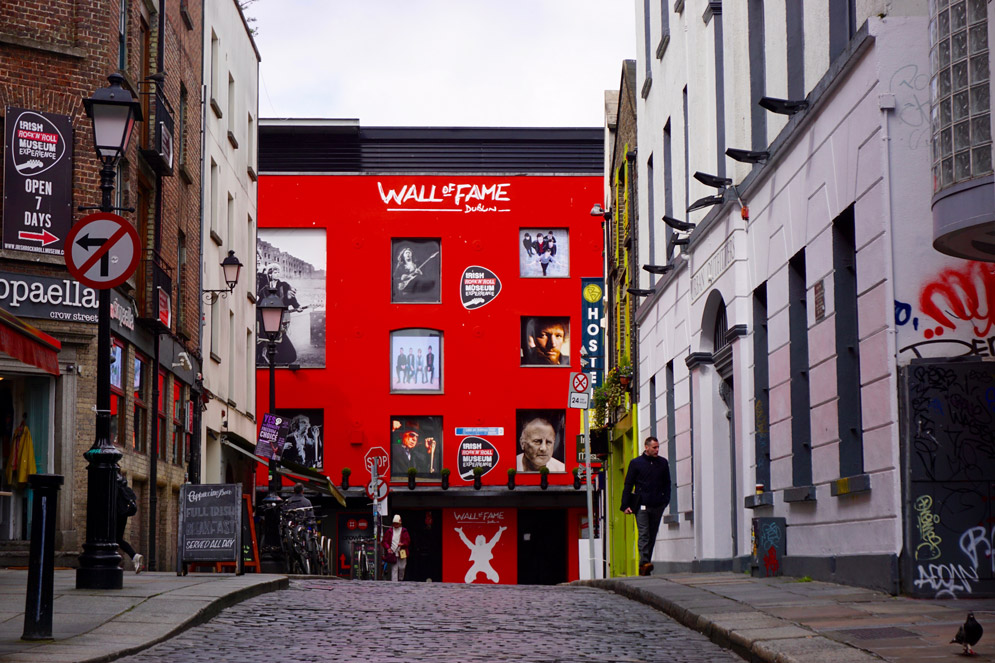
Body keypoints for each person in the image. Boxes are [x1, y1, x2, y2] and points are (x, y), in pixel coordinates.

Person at [621, 436, 671, 576]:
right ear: (646, 447)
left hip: (657, 504)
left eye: (658, 447)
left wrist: (665, 500)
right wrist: (625, 504)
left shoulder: (662, 463)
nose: (657, 450)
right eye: (654, 447)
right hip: (641, 505)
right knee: (644, 534)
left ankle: (645, 565)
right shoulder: (636, 463)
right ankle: (644, 562)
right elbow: (628, 484)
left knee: (653, 533)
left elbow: (667, 483)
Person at [115, 468, 142, 574]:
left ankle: (132, 557)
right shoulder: (122, 481)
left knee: (111, 539)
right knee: (118, 539)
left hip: (114, 514)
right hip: (123, 513)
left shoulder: (112, 481)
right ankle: (134, 556)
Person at [382, 514, 410, 581]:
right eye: (394, 524)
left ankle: (400, 579)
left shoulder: (404, 531)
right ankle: (394, 583)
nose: (396, 525)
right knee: (394, 569)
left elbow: (408, 541)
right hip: (393, 552)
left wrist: (403, 544)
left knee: (402, 567)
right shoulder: (389, 531)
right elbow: (384, 541)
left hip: (402, 551)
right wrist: (388, 548)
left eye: (397, 524)